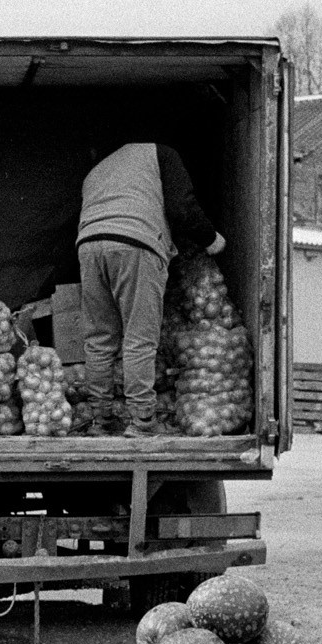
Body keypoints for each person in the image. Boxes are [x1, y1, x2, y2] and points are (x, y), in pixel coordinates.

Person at [74, 141, 225, 436]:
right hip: (136, 243)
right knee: (139, 338)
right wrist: (211, 239)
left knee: (99, 339)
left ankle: (100, 421)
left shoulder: (96, 171)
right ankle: (142, 422)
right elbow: (182, 208)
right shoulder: (161, 153)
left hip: (88, 246)